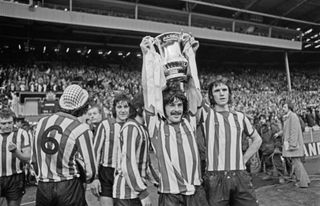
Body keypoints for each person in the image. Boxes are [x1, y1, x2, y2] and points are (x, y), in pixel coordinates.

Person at [31, 84, 97, 206]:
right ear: (83, 106)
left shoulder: (41, 122)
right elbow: (91, 171)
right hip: (68, 186)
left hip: (43, 187)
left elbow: (34, 160)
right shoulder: (81, 128)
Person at [200, 77, 262, 206]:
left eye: (224, 90)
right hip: (215, 177)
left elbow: (257, 139)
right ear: (211, 96)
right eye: (217, 90)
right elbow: (194, 93)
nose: (221, 93)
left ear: (229, 93)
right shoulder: (206, 115)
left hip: (240, 175)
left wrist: (244, 159)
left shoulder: (240, 117)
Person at [90, 93, 131, 206]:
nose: (123, 110)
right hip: (106, 173)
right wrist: (95, 177)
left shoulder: (133, 126)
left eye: (125, 107)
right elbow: (95, 152)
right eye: (119, 107)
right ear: (114, 109)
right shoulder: (105, 125)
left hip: (126, 174)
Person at [113, 93, 152, 206]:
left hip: (133, 193)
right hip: (127, 194)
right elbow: (128, 163)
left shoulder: (141, 128)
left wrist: (158, 180)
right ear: (140, 109)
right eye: (150, 109)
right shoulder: (131, 127)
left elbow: (145, 162)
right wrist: (142, 193)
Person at [0, 108, 30, 206]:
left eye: (9, 122)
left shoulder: (21, 133)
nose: (7, 126)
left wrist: (16, 151)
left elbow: (28, 157)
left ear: (13, 121)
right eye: (3, 123)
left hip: (15, 178)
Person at [281, 100, 310, 188]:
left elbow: (293, 131)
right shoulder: (289, 117)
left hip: (294, 145)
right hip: (292, 144)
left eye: (284, 107)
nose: (283, 109)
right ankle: (305, 180)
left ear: (289, 107)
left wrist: (292, 145)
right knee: (297, 162)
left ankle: (303, 183)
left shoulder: (292, 116)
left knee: (296, 163)